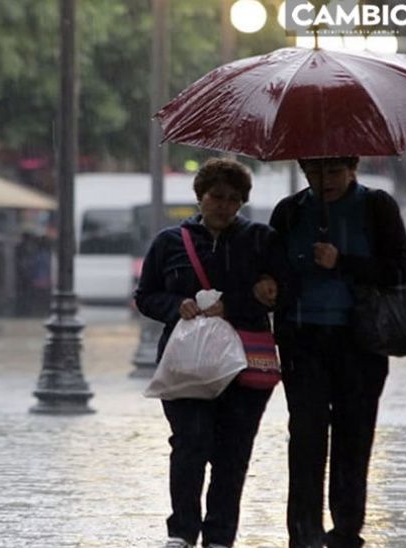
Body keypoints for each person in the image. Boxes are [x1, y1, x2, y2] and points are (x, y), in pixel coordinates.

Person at [134, 158, 288, 548]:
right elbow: (146, 295)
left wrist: (233, 305)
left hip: (244, 364)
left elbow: (279, 296)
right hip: (187, 363)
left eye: (233, 199)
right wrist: (177, 306)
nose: (224, 205)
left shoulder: (260, 240)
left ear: (242, 202)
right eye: (216, 197)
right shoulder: (170, 243)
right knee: (190, 442)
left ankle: (220, 535)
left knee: (233, 451)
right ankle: (182, 531)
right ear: (200, 197)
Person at [268, 156, 406, 548]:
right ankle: (304, 532)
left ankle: (346, 529)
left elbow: (399, 269)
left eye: (332, 171)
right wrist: (270, 284)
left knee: (354, 435)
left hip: (360, 341)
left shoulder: (376, 206)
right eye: (314, 172)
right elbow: (271, 265)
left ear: (352, 169)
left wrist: (343, 262)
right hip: (303, 340)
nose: (324, 180)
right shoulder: (290, 212)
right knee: (306, 437)